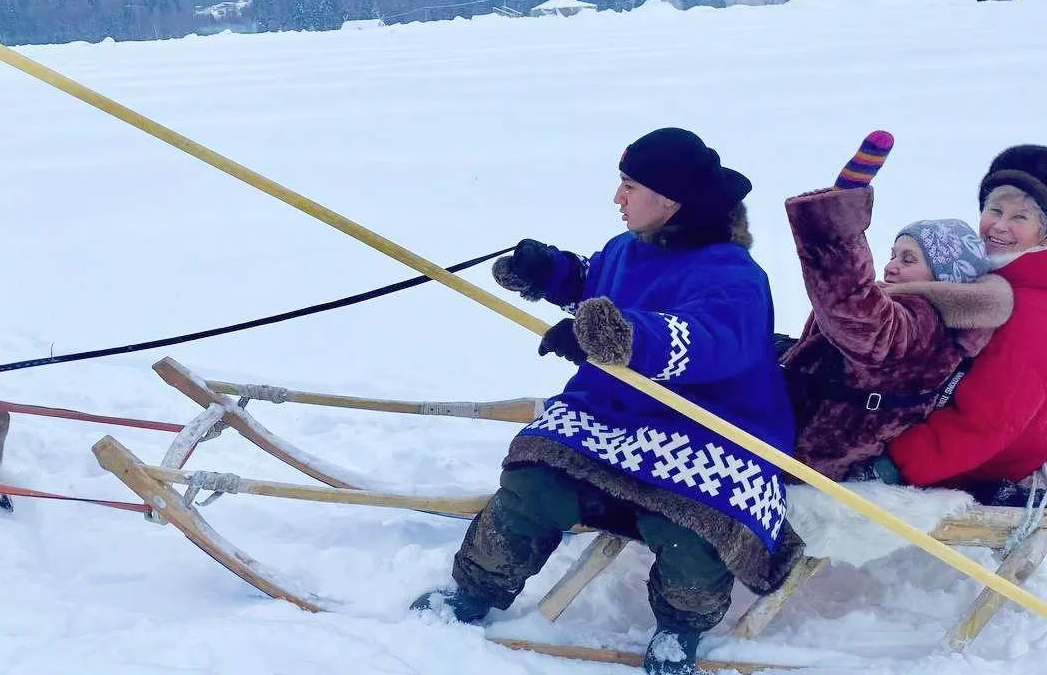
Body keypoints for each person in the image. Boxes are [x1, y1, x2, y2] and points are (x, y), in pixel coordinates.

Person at [410, 127, 804, 675]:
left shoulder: (733, 274)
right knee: (534, 484)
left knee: (693, 528)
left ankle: (679, 630)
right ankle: (474, 591)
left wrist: (624, 339)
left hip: (711, 430)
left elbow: (705, 338)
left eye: (629, 186)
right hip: (613, 413)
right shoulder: (627, 247)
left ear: (670, 200)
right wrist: (551, 272)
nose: (617, 198)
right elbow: (596, 281)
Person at [777, 132, 1012, 483]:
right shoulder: (913, 311)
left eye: (908, 258)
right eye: (892, 254)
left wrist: (836, 227)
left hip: (808, 456)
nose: (891, 267)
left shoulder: (925, 321)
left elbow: (859, 319)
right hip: (793, 428)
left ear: (944, 275)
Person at [864, 144, 1047, 498]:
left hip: (966, 469)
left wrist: (891, 463)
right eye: (995, 210)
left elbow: (989, 421)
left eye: (1020, 218)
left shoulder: (1032, 307)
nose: (999, 226)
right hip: (939, 448)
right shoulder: (985, 283)